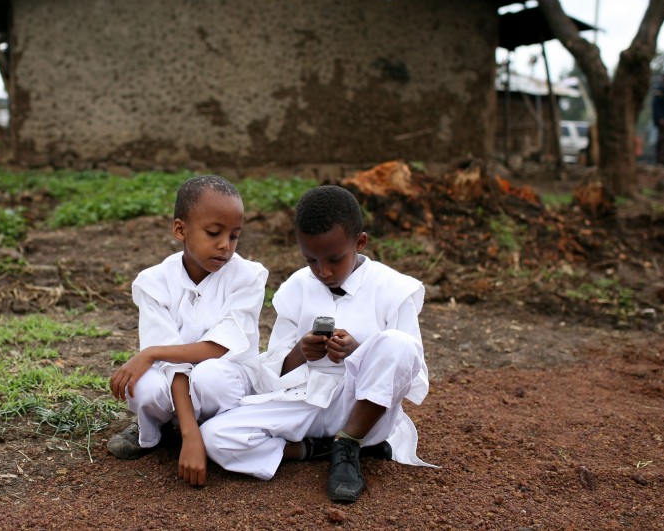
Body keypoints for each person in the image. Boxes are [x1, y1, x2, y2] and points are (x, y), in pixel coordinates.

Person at [200, 185, 429, 504]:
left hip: (360, 408)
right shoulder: (297, 287)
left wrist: (359, 351)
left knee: (398, 344)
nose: (324, 272)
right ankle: (318, 449)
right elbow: (272, 374)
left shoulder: (393, 289)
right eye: (312, 260)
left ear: (360, 242)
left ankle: (349, 444)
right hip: (305, 399)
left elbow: (411, 372)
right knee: (215, 437)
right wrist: (300, 353)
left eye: (335, 259)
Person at [107, 175, 268, 486]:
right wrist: (189, 434)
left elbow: (217, 349)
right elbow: (174, 364)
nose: (225, 246)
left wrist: (151, 352)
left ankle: (214, 429)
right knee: (142, 385)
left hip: (227, 380)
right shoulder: (154, 282)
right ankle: (165, 429)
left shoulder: (248, 277)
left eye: (234, 236)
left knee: (209, 376)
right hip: (176, 378)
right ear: (180, 229)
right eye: (213, 233)